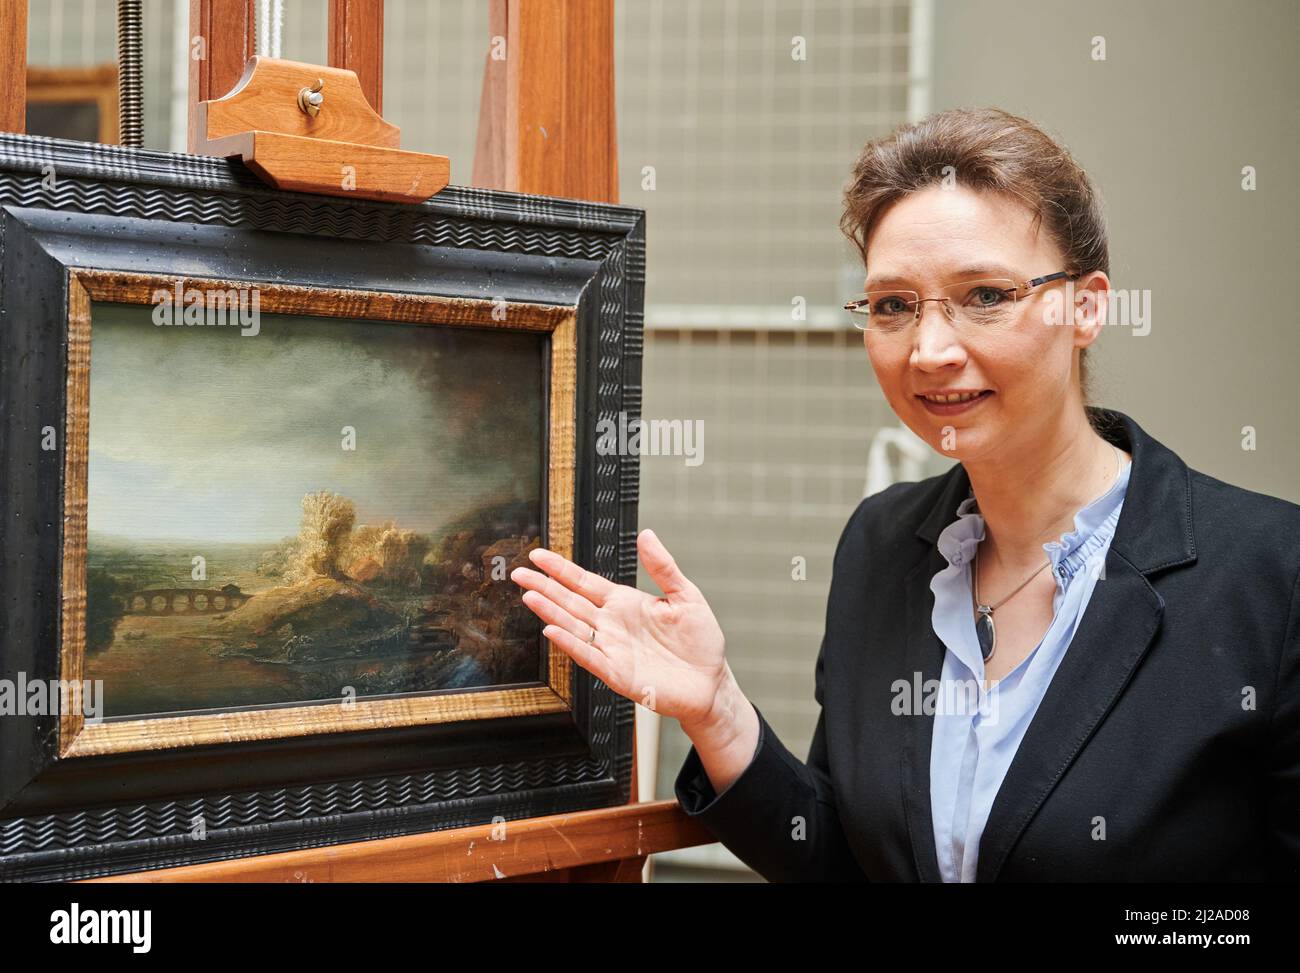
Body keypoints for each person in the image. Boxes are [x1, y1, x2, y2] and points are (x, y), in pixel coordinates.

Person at [510, 107, 1300, 881]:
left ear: (1086, 306)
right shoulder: (883, 543)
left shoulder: (1271, 576)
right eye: (893, 306)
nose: (929, 350)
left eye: (986, 295)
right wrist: (716, 708)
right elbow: (851, 858)